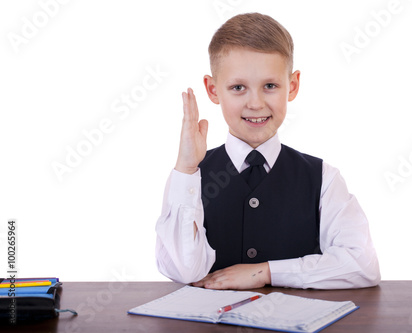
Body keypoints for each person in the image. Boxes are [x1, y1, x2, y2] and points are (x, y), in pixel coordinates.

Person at [155, 13, 380, 290]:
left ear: (292, 86)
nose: (255, 103)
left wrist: (266, 272)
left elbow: (362, 265)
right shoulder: (188, 179)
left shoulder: (323, 179)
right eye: (238, 87)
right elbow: (183, 271)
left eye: (270, 86)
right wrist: (186, 169)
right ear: (213, 90)